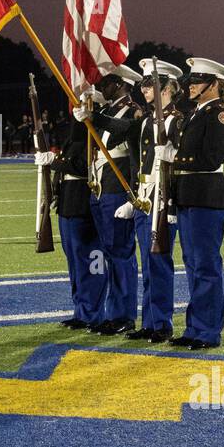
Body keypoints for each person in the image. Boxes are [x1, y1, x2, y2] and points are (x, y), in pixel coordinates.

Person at [170, 57, 224, 350]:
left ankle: (208, 331)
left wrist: (174, 158)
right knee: (193, 265)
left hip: (206, 196)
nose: (191, 85)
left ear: (214, 85)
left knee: (206, 266)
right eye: (191, 80)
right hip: (189, 195)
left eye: (197, 81)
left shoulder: (218, 115)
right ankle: (195, 326)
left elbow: (211, 159)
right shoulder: (196, 113)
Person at [73, 64, 143, 335]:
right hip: (100, 187)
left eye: (108, 82)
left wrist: (95, 117)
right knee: (110, 254)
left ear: (122, 84)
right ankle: (111, 312)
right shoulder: (106, 110)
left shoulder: (134, 110)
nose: (102, 86)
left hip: (117, 187)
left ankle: (123, 315)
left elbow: (124, 129)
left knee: (121, 253)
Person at [127, 59, 183, 342]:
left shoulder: (176, 120)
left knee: (159, 261)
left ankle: (162, 323)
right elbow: (145, 162)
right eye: (143, 84)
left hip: (162, 199)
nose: (143, 89)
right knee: (147, 264)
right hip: (145, 198)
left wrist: (170, 203)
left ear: (167, 88)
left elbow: (177, 161)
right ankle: (149, 321)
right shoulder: (147, 119)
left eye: (149, 84)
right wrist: (136, 197)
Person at [36, 119, 106, 330]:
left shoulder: (93, 136)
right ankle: (81, 311)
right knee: (75, 263)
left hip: (82, 205)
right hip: (67, 204)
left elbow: (83, 166)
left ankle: (92, 313)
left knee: (89, 263)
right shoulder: (73, 139)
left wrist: (54, 160)